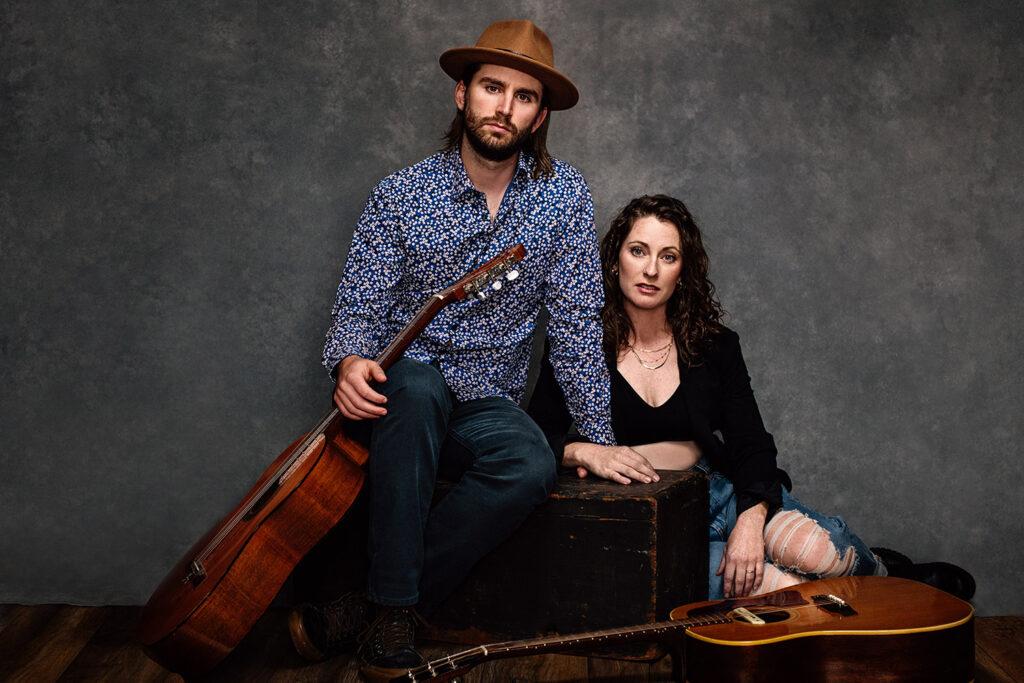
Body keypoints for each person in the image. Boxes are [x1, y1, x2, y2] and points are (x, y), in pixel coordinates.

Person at [288, 20, 616, 679]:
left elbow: (578, 325)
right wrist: (350, 362)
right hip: (409, 392)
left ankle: (379, 608)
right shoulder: (400, 196)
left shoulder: (563, 197)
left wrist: (599, 433)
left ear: (540, 113)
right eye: (492, 88)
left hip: (487, 400)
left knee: (528, 462)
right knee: (410, 386)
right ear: (461, 94)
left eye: (524, 96)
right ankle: (392, 625)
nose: (505, 106)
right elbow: (358, 308)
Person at [528, 194, 975, 601]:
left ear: (683, 273)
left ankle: (888, 577)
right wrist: (582, 450)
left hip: (720, 492)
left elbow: (750, 442)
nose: (650, 270)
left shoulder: (713, 345)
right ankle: (882, 603)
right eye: (638, 251)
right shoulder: (578, 343)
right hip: (650, 521)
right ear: (614, 260)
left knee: (817, 552)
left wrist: (751, 517)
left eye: (668, 257)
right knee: (790, 591)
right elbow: (530, 439)